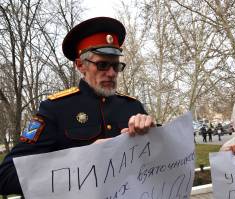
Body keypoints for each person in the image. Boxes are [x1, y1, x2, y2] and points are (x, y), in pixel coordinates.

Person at [0, 17, 155, 195]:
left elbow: (161, 163)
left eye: (116, 65)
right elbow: (6, 176)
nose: (112, 73)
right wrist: (83, 160)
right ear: (81, 65)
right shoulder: (55, 109)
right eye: (103, 64)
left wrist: (154, 134)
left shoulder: (132, 107)